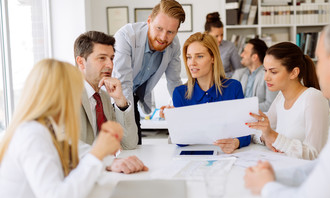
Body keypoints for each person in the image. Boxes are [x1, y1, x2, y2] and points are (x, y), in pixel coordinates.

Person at [244, 13, 330, 198]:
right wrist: (274, 176)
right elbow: (322, 166)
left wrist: (268, 186)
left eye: (320, 59)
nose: (315, 67)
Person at [0, 59, 131, 198]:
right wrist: (98, 154)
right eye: (76, 92)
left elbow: (76, 159)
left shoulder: (48, 129)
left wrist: (104, 155)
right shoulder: (32, 136)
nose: (79, 100)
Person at [112, 0, 185, 144]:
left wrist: (182, 114)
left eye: (170, 32)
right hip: (114, 99)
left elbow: (174, 82)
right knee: (124, 145)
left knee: (135, 146)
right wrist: (129, 128)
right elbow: (124, 84)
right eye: (159, 28)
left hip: (133, 97)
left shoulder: (174, 44)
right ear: (149, 21)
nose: (163, 37)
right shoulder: (126, 36)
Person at [75, 31, 148, 173]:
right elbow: (68, 147)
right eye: (102, 58)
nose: (110, 65)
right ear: (81, 62)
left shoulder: (103, 96)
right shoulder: (67, 94)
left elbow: (129, 144)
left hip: (101, 176)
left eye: (112, 58)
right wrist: (108, 163)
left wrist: (120, 100)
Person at [246, 42, 330, 160]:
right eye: (265, 70)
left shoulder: (313, 98)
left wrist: (273, 137)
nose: (266, 77)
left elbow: (315, 153)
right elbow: (259, 132)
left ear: (294, 73)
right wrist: (265, 136)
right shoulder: (281, 97)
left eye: (273, 72)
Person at [171, 32, 250, 154]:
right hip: (193, 160)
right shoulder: (180, 93)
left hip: (226, 157)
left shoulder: (233, 87)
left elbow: (246, 133)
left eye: (199, 56)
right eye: (189, 57)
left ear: (213, 58)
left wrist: (235, 142)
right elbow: (181, 141)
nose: (192, 63)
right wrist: (175, 120)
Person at [232, 38, 278, 112]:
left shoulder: (268, 76)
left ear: (254, 57)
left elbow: (270, 104)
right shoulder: (239, 74)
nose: (241, 55)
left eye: (245, 52)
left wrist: (244, 109)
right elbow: (231, 100)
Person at [205, 12, 242, 78]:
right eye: (216, 36)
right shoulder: (201, 47)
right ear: (207, 34)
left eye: (222, 35)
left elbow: (239, 71)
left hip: (225, 83)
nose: (220, 39)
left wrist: (221, 76)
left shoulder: (230, 46)